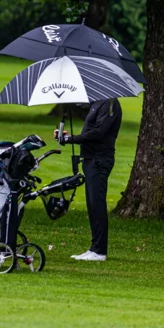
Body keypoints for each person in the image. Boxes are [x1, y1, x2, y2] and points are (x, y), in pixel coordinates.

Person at [54, 99, 122, 261]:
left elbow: (98, 133)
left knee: (97, 204)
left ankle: (99, 251)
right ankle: (95, 248)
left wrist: (71, 139)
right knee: (92, 204)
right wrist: (68, 137)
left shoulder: (110, 104)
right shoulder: (98, 103)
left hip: (99, 160)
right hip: (90, 159)